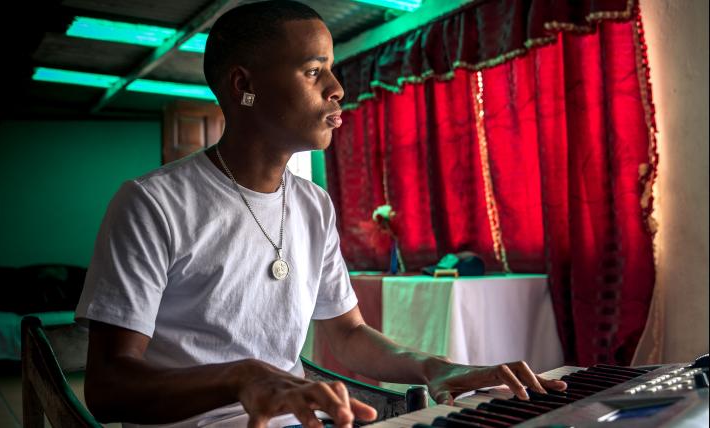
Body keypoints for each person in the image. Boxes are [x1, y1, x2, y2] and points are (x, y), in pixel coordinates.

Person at [75, 1, 567, 427]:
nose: (337, 89)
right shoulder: (152, 204)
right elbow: (108, 387)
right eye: (313, 71)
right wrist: (240, 378)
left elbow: (347, 333)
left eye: (331, 70)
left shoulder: (313, 204)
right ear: (244, 85)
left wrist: (435, 367)